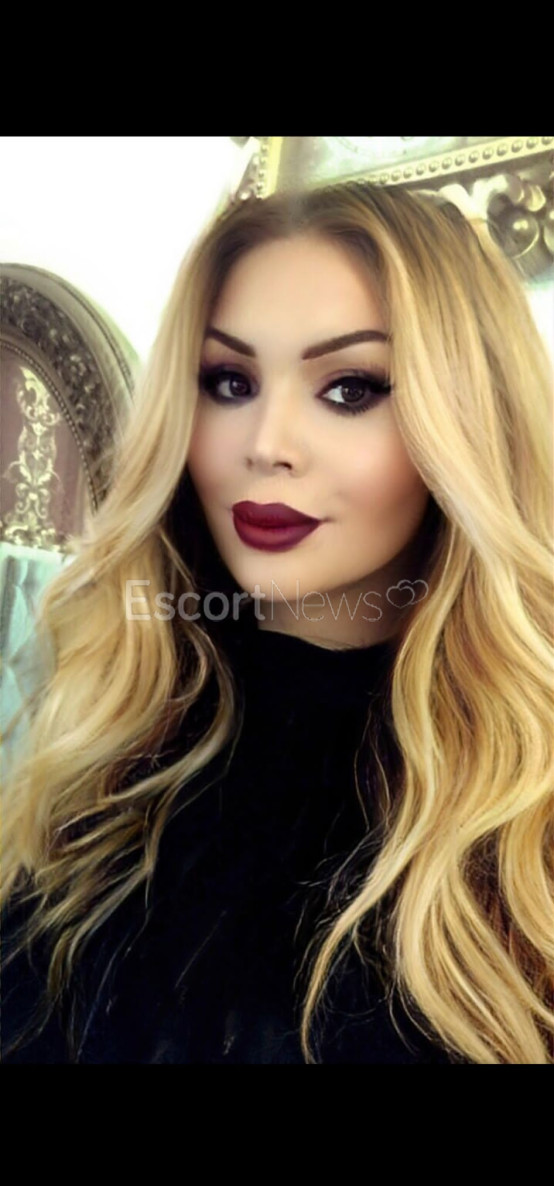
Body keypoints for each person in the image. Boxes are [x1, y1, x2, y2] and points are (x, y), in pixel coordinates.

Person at [1, 179, 553, 1065]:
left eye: (350, 389)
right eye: (229, 382)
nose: (265, 443)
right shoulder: (111, 760)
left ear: (470, 425)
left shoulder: (523, 827)